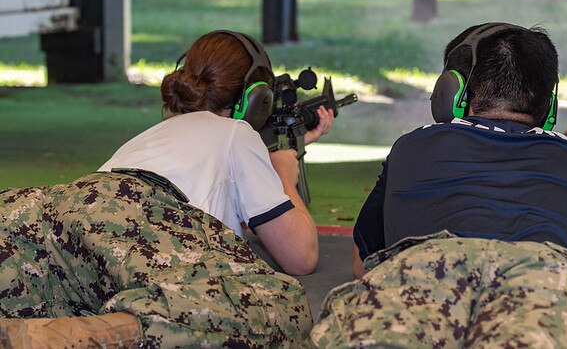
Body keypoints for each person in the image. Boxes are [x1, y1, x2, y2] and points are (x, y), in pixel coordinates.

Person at [311, 22, 567, 348]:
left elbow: (364, 264)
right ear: (549, 105)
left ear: (452, 93)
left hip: (421, 271)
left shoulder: (412, 147)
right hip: (547, 280)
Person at [0, 30, 333, 348]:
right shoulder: (237, 133)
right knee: (275, 308)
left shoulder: (154, 133)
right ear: (256, 98)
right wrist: (282, 174)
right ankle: (92, 336)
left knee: (27, 286)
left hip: (45, 206)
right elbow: (299, 257)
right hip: (144, 212)